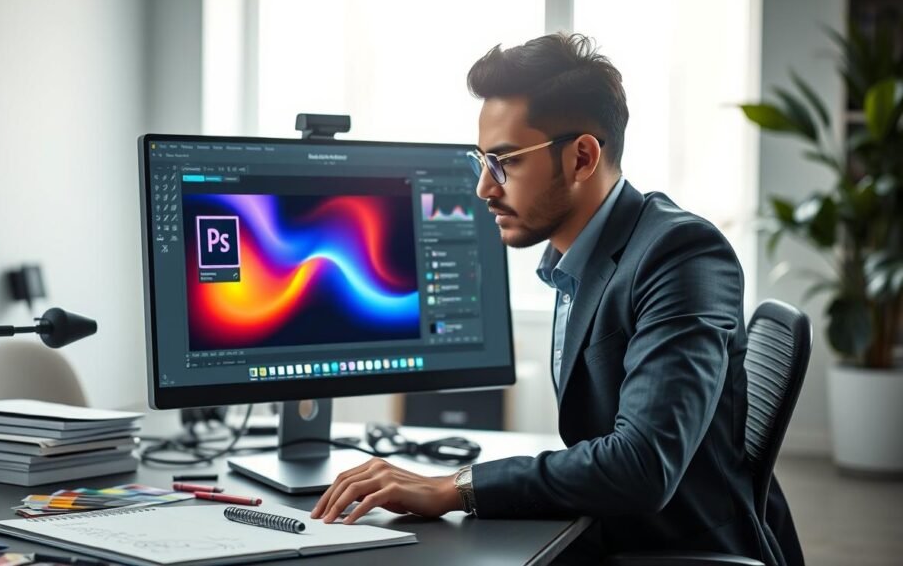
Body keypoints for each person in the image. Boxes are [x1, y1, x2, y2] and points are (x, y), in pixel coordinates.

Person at [310, 32, 804, 566]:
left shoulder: (682, 255)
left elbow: (642, 465)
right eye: (481, 161)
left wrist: (455, 487)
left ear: (582, 157)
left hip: (671, 548)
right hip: (604, 531)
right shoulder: (579, 262)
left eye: (504, 162)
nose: (483, 188)